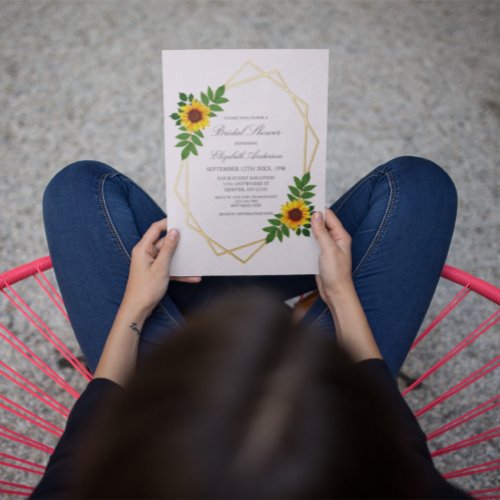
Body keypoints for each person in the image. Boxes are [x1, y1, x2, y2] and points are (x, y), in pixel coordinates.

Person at [30, 156, 469, 498]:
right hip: (312, 392)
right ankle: (260, 300)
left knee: (77, 190)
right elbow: (376, 396)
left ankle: (222, 295)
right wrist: (339, 292)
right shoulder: (399, 481)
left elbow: (106, 403)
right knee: (420, 187)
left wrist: (137, 302)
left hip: (179, 396)